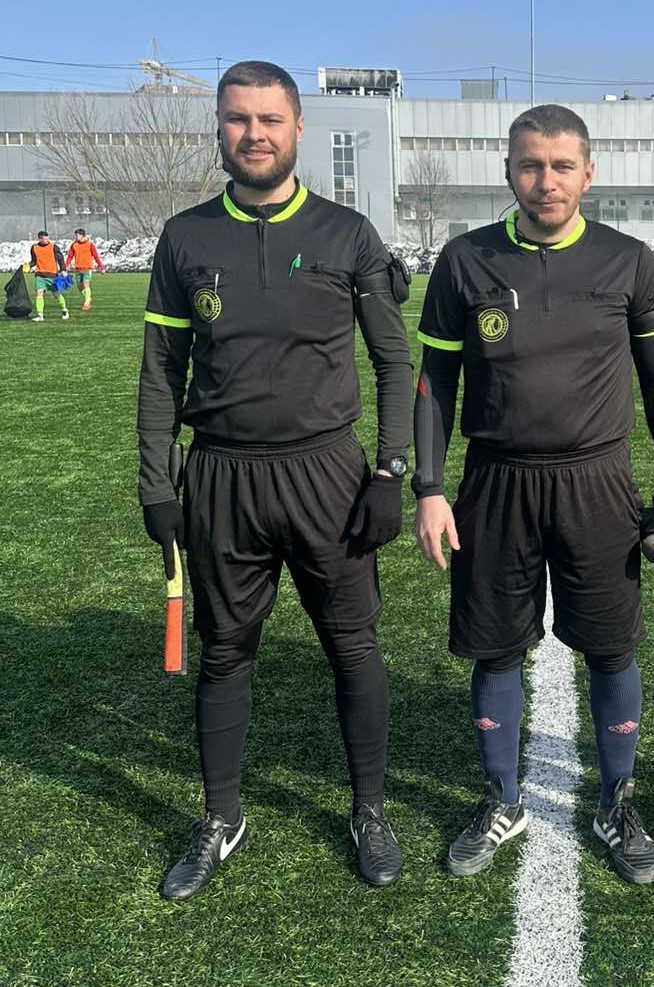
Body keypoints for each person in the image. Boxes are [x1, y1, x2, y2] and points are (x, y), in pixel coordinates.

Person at [137, 60, 413, 900]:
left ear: (296, 128)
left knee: (352, 644)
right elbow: (160, 372)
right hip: (221, 475)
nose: (252, 134)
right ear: (219, 129)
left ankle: (369, 809)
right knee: (225, 649)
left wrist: (390, 469)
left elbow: (394, 362)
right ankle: (222, 816)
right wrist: (157, 485)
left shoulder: (347, 233)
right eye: (236, 119)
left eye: (268, 119)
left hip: (327, 473)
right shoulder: (185, 237)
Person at [412, 104, 654, 885]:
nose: (546, 181)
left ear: (587, 173)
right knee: (496, 645)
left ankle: (616, 799)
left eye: (562, 165)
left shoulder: (627, 261)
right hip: (494, 480)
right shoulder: (463, 260)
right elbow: (433, 382)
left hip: (596, 481)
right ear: (508, 171)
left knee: (609, 646)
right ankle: (501, 796)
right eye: (530, 165)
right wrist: (429, 487)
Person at [28, 230, 69, 322]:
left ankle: (64, 310)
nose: (47, 240)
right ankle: (40, 315)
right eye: (45, 239)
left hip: (52, 275)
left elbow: (60, 259)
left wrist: (63, 270)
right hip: (40, 275)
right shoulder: (34, 248)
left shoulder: (54, 247)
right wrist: (28, 266)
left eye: (48, 238)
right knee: (39, 293)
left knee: (56, 294)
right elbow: (34, 261)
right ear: (40, 239)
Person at [65, 228, 106, 310]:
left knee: (86, 284)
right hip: (77, 269)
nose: (75, 237)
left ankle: (86, 303)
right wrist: (66, 265)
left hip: (87, 269)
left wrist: (102, 267)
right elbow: (70, 256)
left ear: (82, 235)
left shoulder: (90, 244)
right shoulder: (74, 245)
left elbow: (96, 257)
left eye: (77, 235)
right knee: (80, 287)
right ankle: (88, 298)